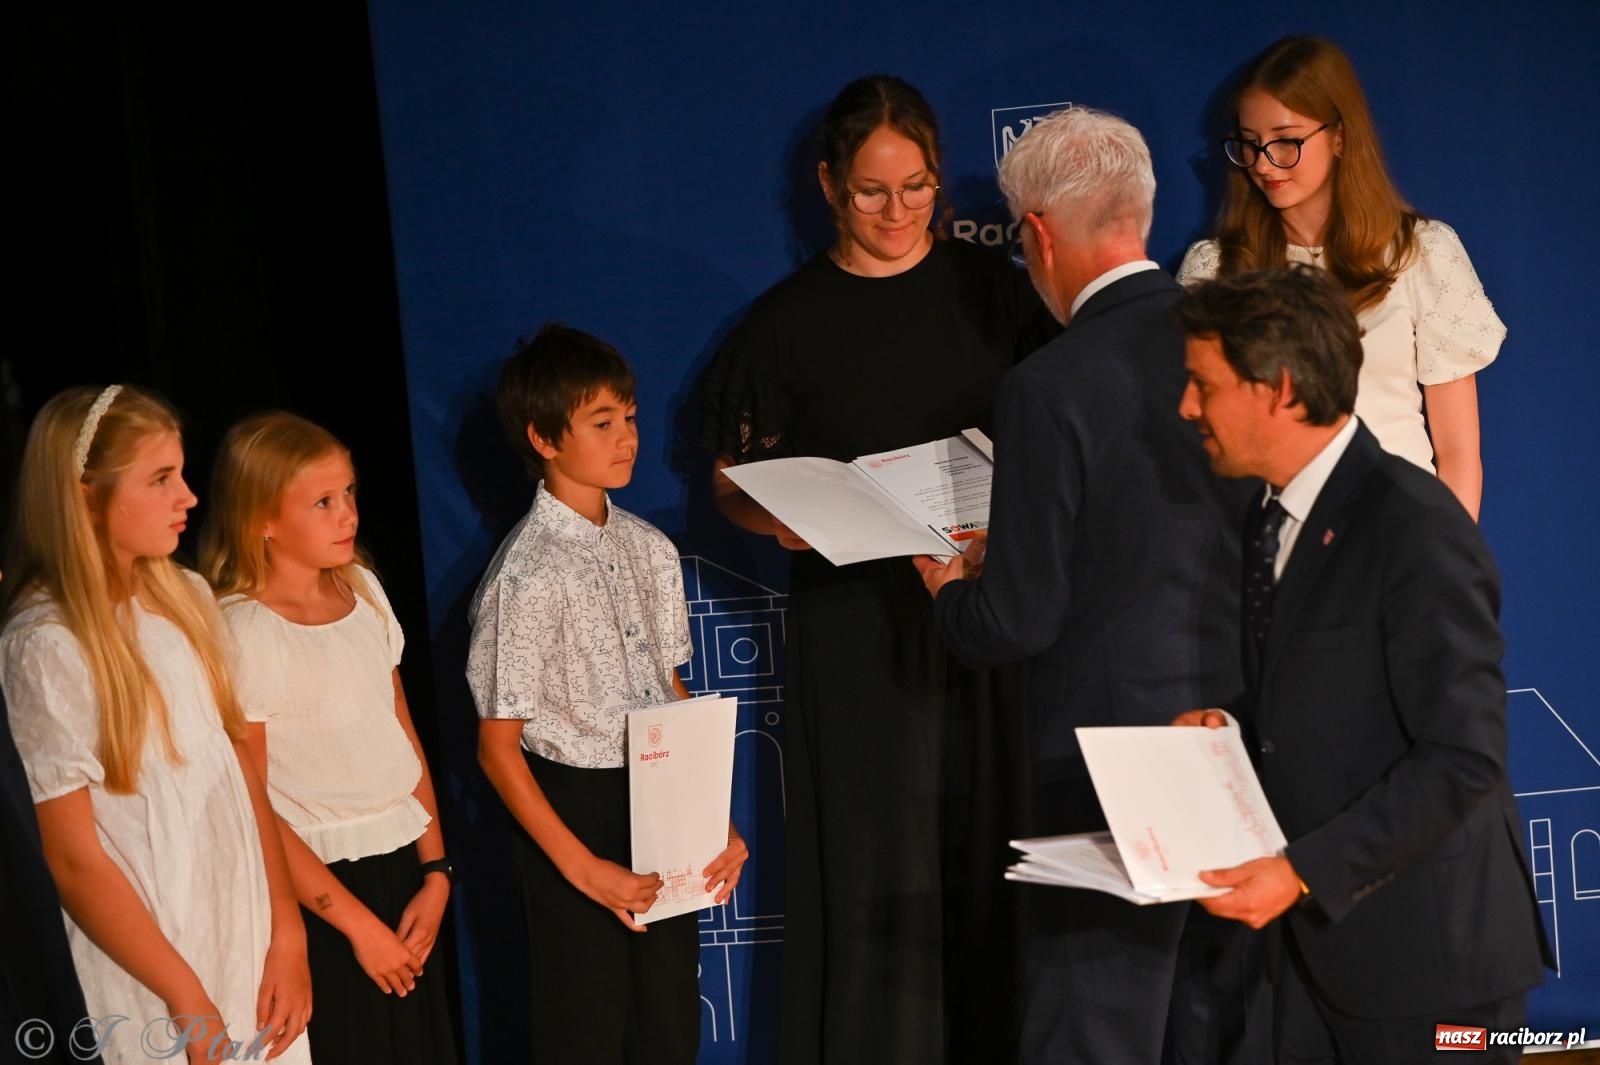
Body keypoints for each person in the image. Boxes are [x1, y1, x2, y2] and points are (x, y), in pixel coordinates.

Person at [702, 74, 1053, 1065]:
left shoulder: (998, 294)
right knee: (874, 863)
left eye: (917, 188)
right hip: (857, 634)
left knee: (1001, 849)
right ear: (827, 186)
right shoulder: (787, 323)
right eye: (870, 192)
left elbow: (1064, 442)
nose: (897, 213)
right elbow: (730, 486)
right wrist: (788, 521)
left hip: (989, 615)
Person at [913, 106, 1246, 1065]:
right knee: (1212, 1024)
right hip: (1244, 734)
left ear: (1041, 236)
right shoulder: (1238, 342)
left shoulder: (1049, 384)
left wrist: (948, 589)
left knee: (1096, 1024)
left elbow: (1017, 617)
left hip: (1106, 759)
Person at [1172, 264, 1549, 1063]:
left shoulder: (1417, 528)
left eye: (1203, 385)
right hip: (1315, 955)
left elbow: (1463, 755)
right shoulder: (1270, 513)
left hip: (1434, 965)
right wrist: (1231, 725)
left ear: (1276, 388)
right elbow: (1328, 692)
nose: (1186, 407)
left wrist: (1302, 870)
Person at [0, 385, 311, 1064]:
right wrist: (184, 994)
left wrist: (287, 933)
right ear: (84, 494)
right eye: (161, 479)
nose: (190, 498)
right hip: (153, 975)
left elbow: (242, 778)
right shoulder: (48, 646)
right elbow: (74, 857)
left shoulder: (188, 599)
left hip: (247, 942)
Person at [469, 324, 748, 1064]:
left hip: (660, 794)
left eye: (628, 416)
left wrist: (711, 816)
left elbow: (672, 685)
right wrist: (581, 867)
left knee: (668, 1026)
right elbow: (498, 749)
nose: (626, 437)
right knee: (586, 1028)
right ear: (544, 437)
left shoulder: (649, 548)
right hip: (573, 811)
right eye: (602, 423)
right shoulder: (525, 575)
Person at [199, 411, 457, 1064]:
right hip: (323, 894)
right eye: (322, 501)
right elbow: (252, 803)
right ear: (262, 518)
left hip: (404, 870)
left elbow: (401, 729)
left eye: (349, 494)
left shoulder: (362, 589)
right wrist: (357, 927)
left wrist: (436, 868)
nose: (347, 514)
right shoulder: (246, 631)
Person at [1177, 35, 1504, 520]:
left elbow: (1458, 454)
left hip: (1395, 540)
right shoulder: (1215, 270)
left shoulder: (1421, 253)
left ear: (1340, 135)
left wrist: (1447, 577)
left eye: (1286, 142)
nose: (1264, 165)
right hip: (1260, 547)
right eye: (1249, 145)